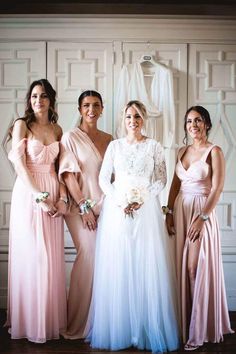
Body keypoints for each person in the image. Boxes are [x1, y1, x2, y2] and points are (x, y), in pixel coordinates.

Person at [87, 100, 180, 353]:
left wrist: (143, 198)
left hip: (146, 210)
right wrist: (120, 200)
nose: (133, 121)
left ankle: (146, 328)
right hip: (118, 211)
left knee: (145, 264)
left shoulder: (154, 146)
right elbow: (104, 179)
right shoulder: (115, 147)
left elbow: (161, 177)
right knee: (121, 265)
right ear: (122, 119)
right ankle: (123, 328)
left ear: (144, 119)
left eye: (137, 116)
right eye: (129, 116)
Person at [165, 105, 234, 351]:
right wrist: (169, 212)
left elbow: (216, 189)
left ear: (206, 123)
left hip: (201, 213)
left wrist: (202, 217)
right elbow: (174, 184)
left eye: (198, 120)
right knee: (180, 269)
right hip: (181, 210)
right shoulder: (182, 151)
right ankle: (184, 325)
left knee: (194, 268)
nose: (193, 125)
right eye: (189, 121)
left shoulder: (214, 151)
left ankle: (199, 329)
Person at [5, 79, 67, 343]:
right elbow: (19, 164)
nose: (38, 101)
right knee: (33, 256)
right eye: (33, 97)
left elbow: (62, 169)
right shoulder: (23, 125)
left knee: (50, 258)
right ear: (29, 101)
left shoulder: (57, 128)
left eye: (43, 96)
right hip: (29, 193)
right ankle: (29, 322)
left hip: (52, 190)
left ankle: (49, 320)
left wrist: (62, 198)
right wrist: (38, 197)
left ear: (51, 99)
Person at [59, 90, 113, 339]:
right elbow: (68, 174)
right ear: (79, 109)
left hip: (107, 207)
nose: (91, 110)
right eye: (86, 105)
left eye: (96, 105)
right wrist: (84, 207)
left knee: (107, 262)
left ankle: (100, 322)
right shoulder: (70, 137)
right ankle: (78, 324)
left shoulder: (110, 139)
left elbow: (114, 177)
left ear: (102, 109)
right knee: (89, 255)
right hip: (80, 207)